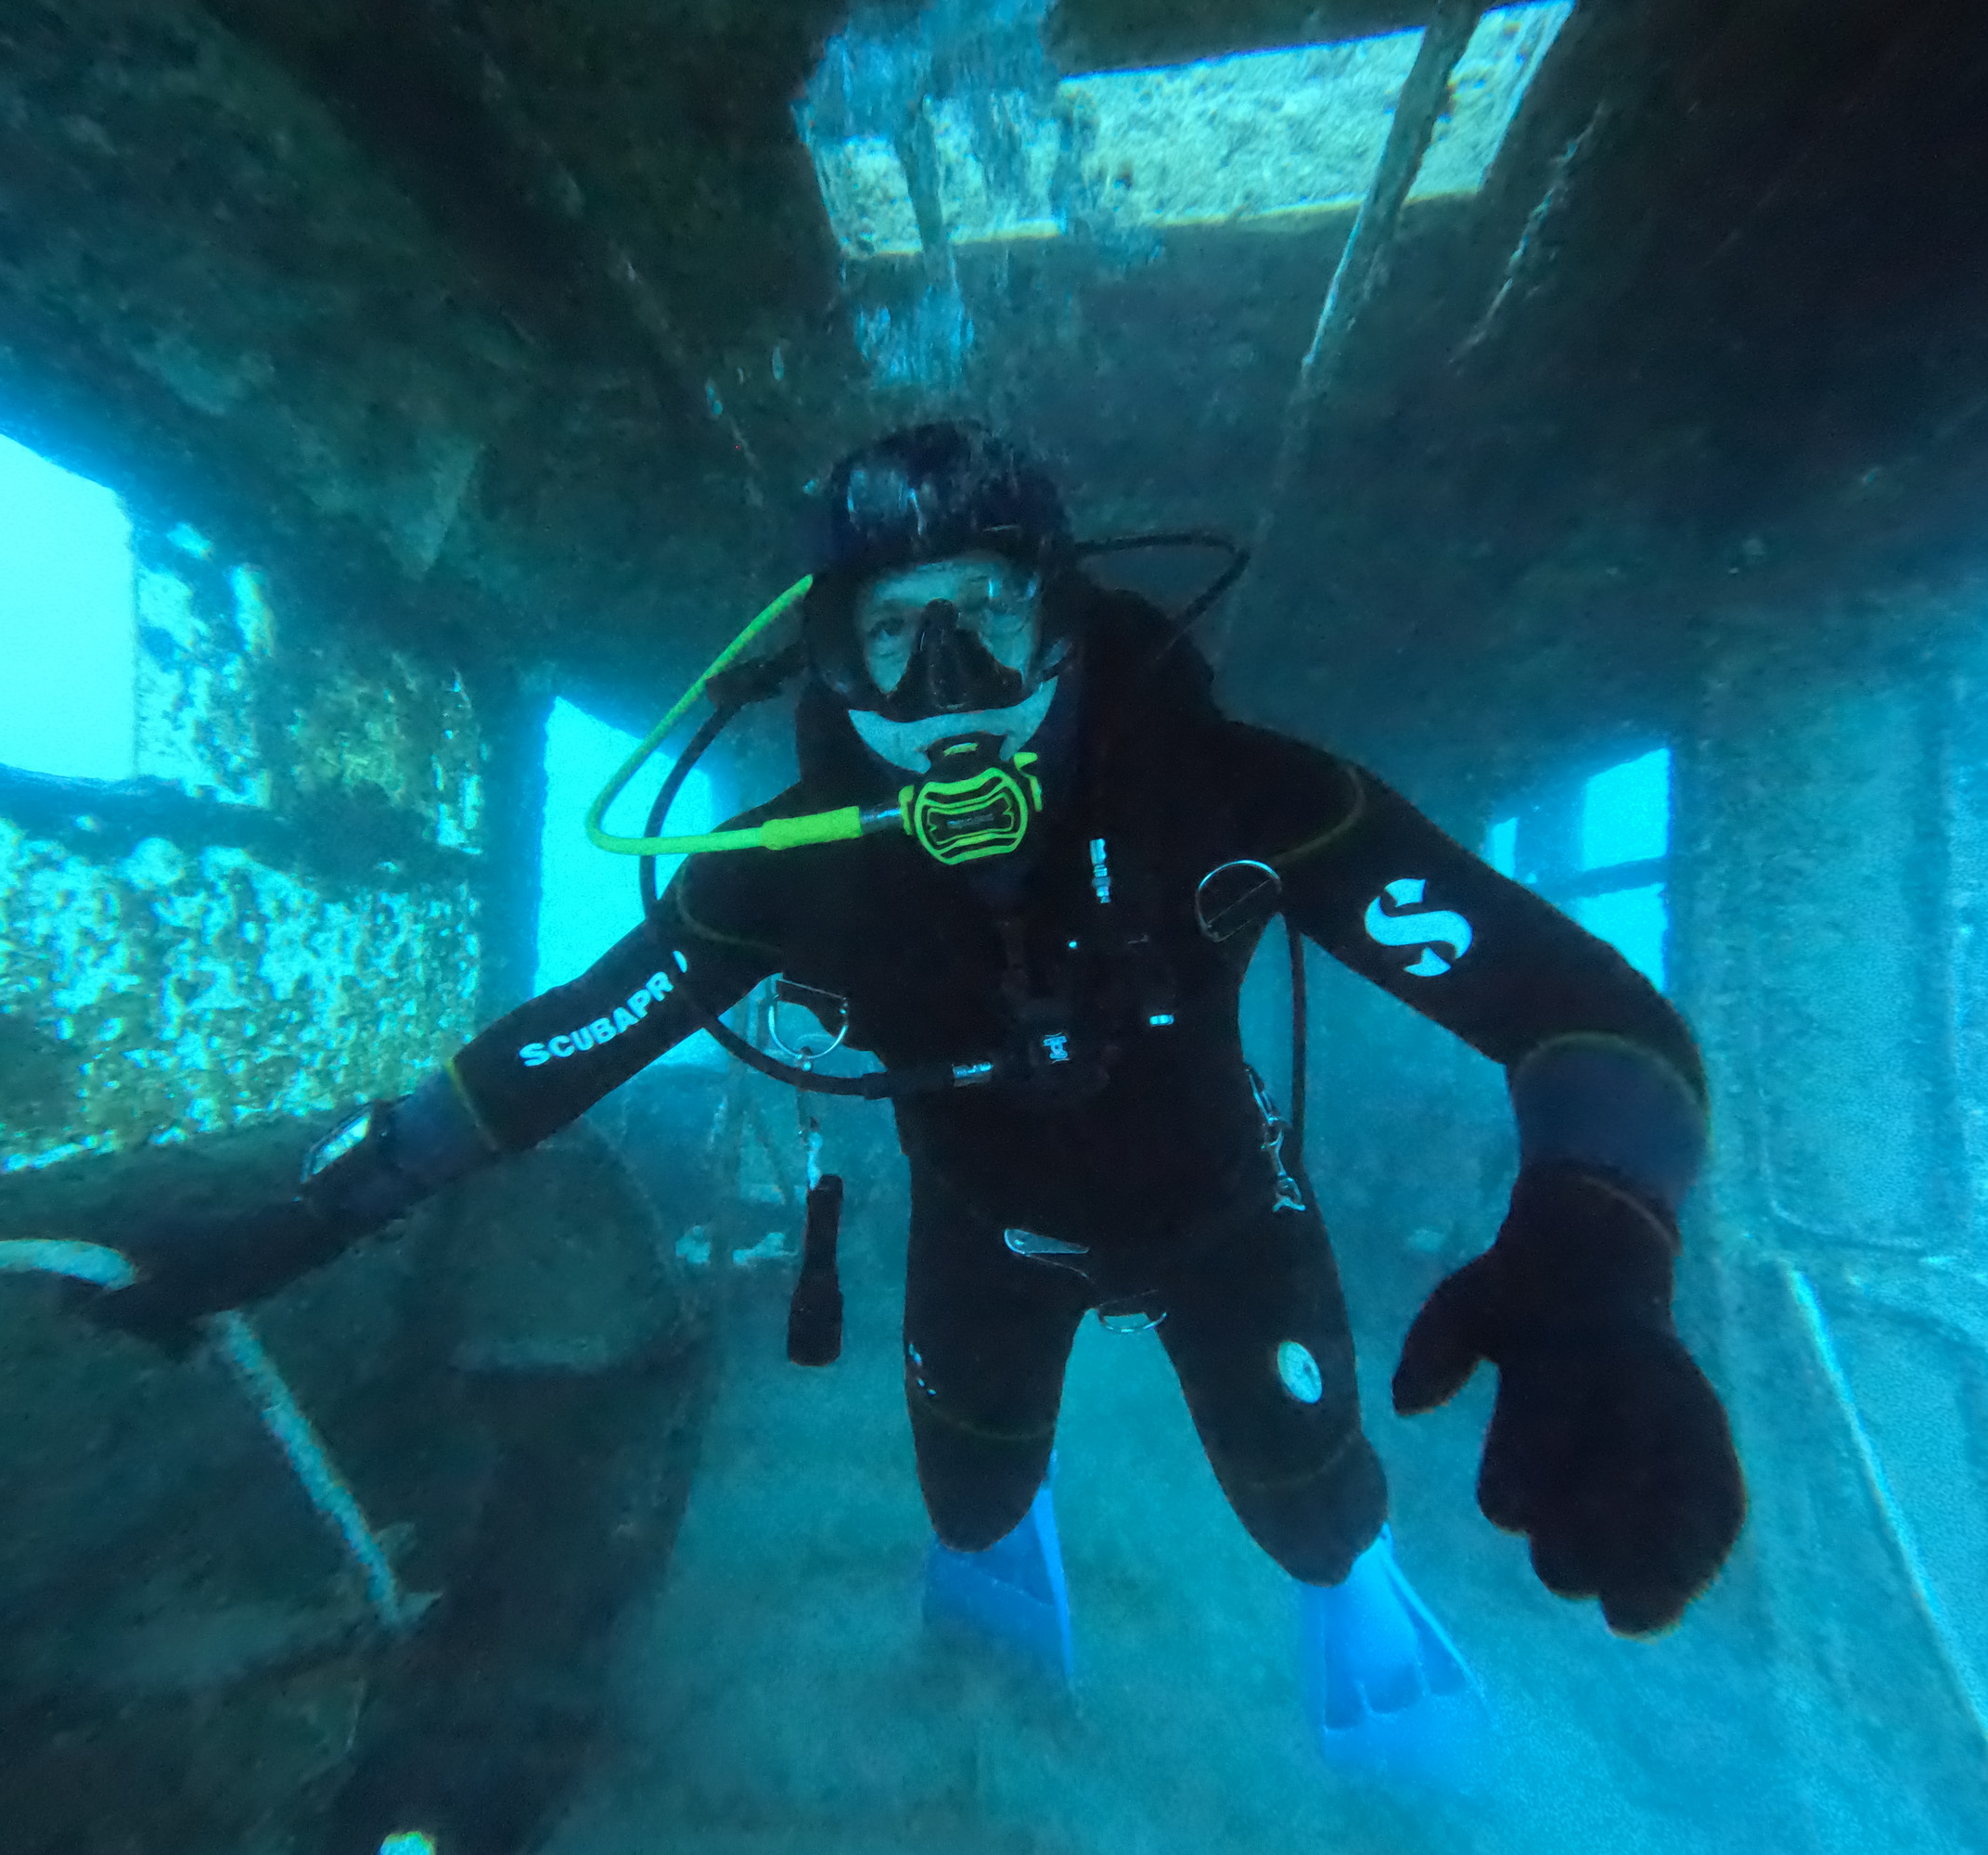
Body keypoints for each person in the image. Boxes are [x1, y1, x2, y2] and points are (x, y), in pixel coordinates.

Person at [94, 421, 1746, 1822]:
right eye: (894, 635)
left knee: (1313, 1507)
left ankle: (1351, 1595)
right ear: (829, 658)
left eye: (988, 618)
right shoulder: (780, 873)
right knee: (968, 1499)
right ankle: (1011, 1624)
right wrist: (304, 1215)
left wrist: (1601, 1243)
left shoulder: (1238, 797)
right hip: (986, 1233)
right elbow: (564, 1047)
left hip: (1227, 1213)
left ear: (1067, 622)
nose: (950, 684)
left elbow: (1574, 1006)